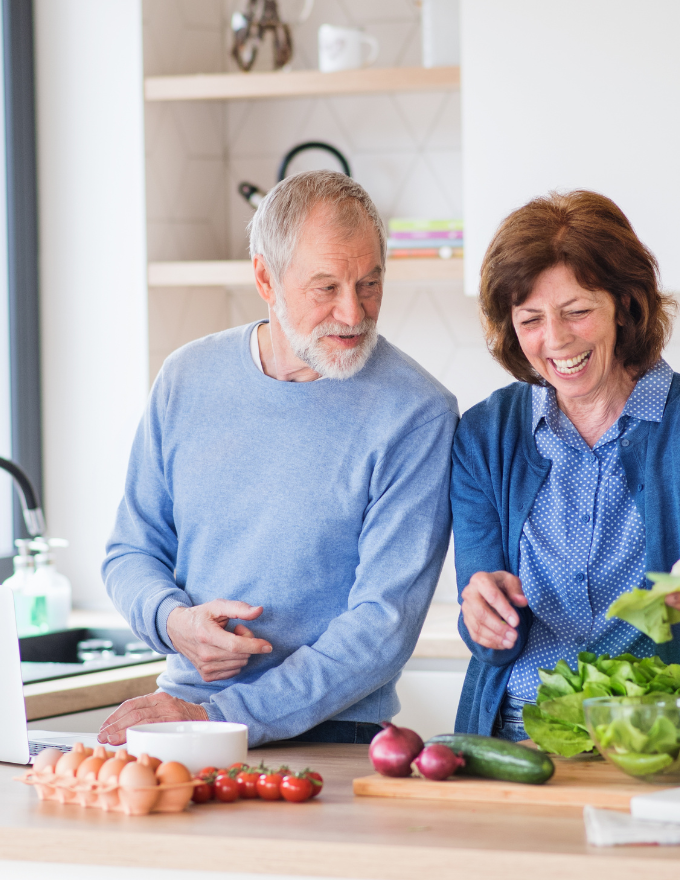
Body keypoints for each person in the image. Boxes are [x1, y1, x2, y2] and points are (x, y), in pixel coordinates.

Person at [97, 170, 458, 747]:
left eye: (370, 283)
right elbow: (131, 550)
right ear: (265, 277)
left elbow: (382, 627)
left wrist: (222, 720)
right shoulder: (186, 378)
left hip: (334, 733)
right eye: (326, 288)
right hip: (181, 716)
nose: (353, 313)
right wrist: (173, 621)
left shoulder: (416, 413)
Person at [452, 191, 680, 741]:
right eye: (531, 319)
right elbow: (478, 613)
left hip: (663, 729)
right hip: (521, 734)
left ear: (626, 303)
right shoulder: (484, 435)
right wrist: (482, 615)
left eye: (578, 311)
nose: (557, 339)